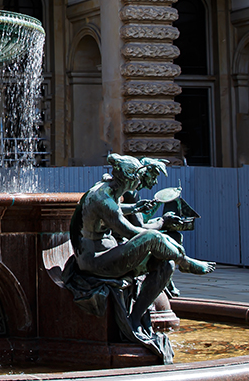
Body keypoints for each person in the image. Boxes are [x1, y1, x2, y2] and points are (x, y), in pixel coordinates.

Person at [64, 154, 214, 361]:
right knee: (151, 238)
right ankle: (185, 261)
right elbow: (132, 233)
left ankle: (134, 319)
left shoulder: (112, 191)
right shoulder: (102, 198)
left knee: (165, 265)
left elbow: (121, 213)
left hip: (107, 253)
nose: (140, 182)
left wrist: (135, 209)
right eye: (138, 178)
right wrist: (161, 231)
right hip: (95, 260)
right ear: (129, 178)